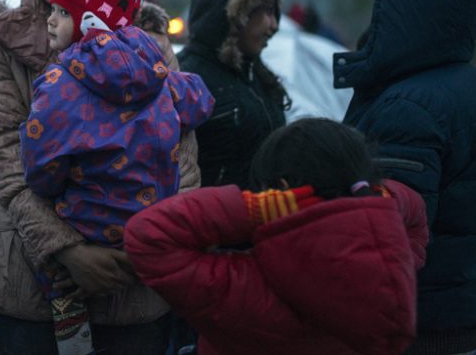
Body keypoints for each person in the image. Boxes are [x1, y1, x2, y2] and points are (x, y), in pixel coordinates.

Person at [0, 0, 201, 355]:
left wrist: (146, 244)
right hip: (30, 275)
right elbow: (2, 149)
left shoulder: (148, 43)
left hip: (131, 279)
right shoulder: (4, 39)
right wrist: (66, 249)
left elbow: (180, 150)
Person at [19, 0, 214, 353]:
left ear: (88, 22)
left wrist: (52, 188)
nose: (51, 20)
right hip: (144, 227)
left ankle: (72, 332)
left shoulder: (58, 86)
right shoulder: (157, 71)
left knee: (52, 275)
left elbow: (41, 168)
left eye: (60, 11)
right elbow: (199, 101)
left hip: (84, 223)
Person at [334, 0, 476, 355]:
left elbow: (387, 235)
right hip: (460, 311)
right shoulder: (474, 88)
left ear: (400, 10)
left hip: (416, 325)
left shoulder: (410, 106)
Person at [124, 117, 429, 355]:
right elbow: (415, 215)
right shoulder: (390, 271)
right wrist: (376, 204)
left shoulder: (248, 287)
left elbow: (149, 235)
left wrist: (252, 210)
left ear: (280, 192)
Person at [178, 0, 289, 188]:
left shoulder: (256, 76)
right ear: (234, 13)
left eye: (275, 13)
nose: (274, 25)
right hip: (210, 221)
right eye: (267, 11)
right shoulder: (185, 79)